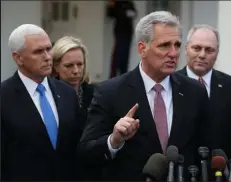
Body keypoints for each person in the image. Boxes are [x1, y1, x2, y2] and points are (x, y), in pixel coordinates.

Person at [78, 11, 209, 181]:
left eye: (177, 45)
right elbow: (86, 151)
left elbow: (205, 149)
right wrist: (114, 140)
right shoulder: (110, 92)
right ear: (142, 48)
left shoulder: (195, 92)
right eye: (164, 45)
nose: (173, 53)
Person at [1, 24, 83, 181]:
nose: (47, 56)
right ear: (18, 58)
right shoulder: (4, 97)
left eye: (48, 48)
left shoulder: (66, 93)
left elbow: (77, 145)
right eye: (38, 51)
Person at [178, 24, 231, 159]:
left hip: (219, 171)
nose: (202, 55)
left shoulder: (228, 85)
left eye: (209, 50)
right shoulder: (170, 83)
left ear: (217, 53)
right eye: (196, 48)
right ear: (186, 49)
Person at [52, 36, 95, 127]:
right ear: (56, 66)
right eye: (69, 66)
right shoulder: (48, 95)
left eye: (79, 64)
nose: (76, 71)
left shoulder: (96, 94)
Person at [107, 0, 137, 77]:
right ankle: (113, 77)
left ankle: (123, 77)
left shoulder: (129, 3)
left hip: (128, 33)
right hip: (119, 33)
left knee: (125, 56)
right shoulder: (116, 3)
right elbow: (110, 15)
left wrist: (123, 13)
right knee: (117, 56)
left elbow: (134, 14)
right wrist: (110, 7)